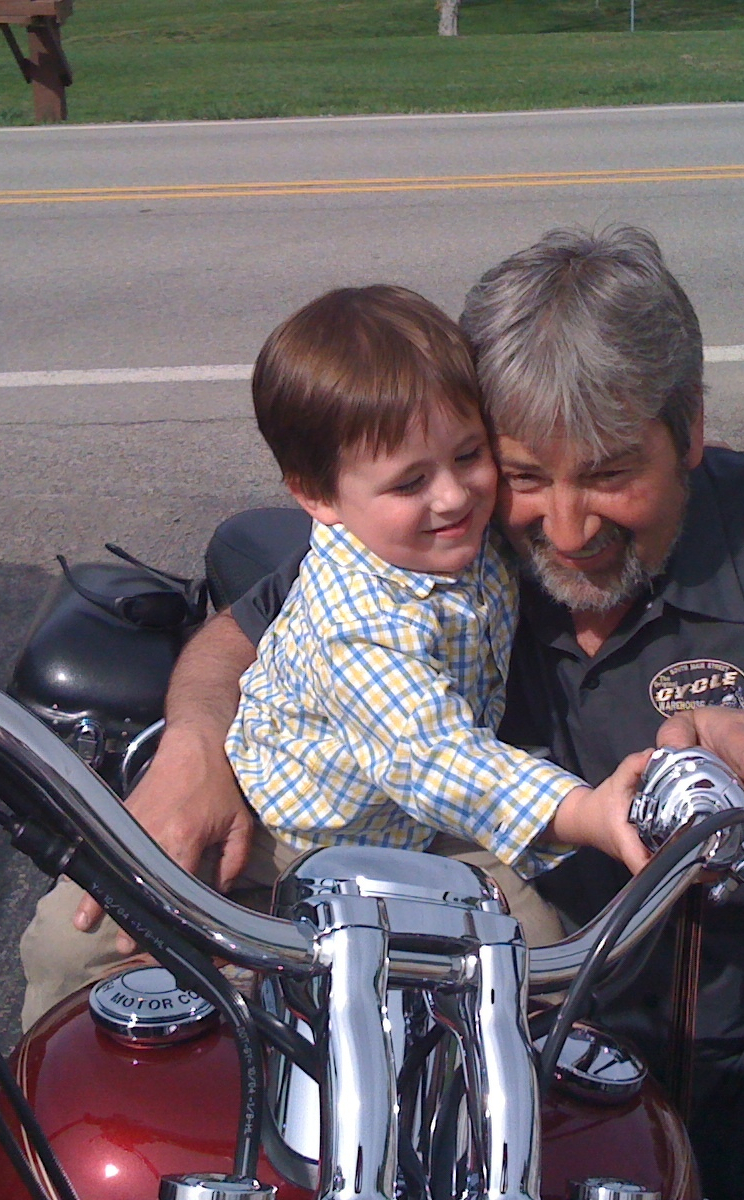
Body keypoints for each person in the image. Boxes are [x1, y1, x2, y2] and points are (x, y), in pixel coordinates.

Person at [22, 226, 744, 1199]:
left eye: (608, 473)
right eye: (526, 476)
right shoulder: (454, 534)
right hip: (534, 1015)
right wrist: (195, 747)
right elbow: (244, 634)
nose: (565, 529)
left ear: (688, 425)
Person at [224, 284, 649, 941]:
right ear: (317, 495)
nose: (454, 497)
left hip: (420, 823)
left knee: (534, 951)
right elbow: (434, 756)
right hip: (296, 834)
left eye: (469, 455)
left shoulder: (448, 539)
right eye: (410, 482)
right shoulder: (356, 622)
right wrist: (588, 811)